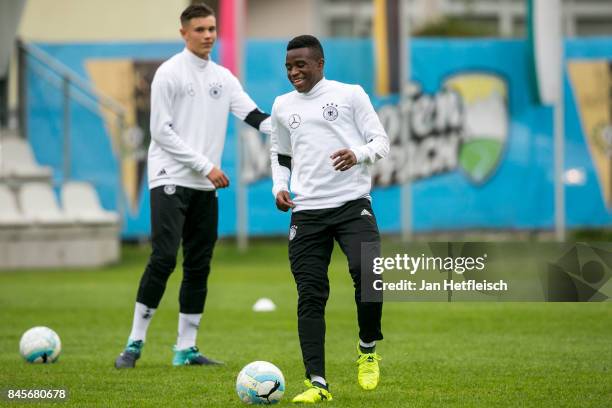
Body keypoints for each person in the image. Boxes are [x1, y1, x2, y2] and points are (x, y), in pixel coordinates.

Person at [115, 3, 271, 368]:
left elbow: (254, 116)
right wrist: (205, 166)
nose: (208, 36)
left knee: (199, 264)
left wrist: (291, 125)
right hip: (170, 176)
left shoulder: (224, 77)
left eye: (212, 29)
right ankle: (134, 344)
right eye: (200, 29)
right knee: (165, 257)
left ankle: (186, 349)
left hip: (205, 186)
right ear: (183, 32)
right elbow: (160, 132)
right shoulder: (169, 73)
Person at [270, 35, 389, 403]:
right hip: (306, 212)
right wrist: (279, 186)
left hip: (352, 203)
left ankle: (367, 349)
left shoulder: (350, 94)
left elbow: (381, 142)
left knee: (369, 273)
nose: (294, 72)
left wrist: (357, 154)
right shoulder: (281, 105)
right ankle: (316, 384)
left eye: (301, 65)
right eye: (289, 66)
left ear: (320, 63)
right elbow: (280, 153)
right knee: (310, 293)